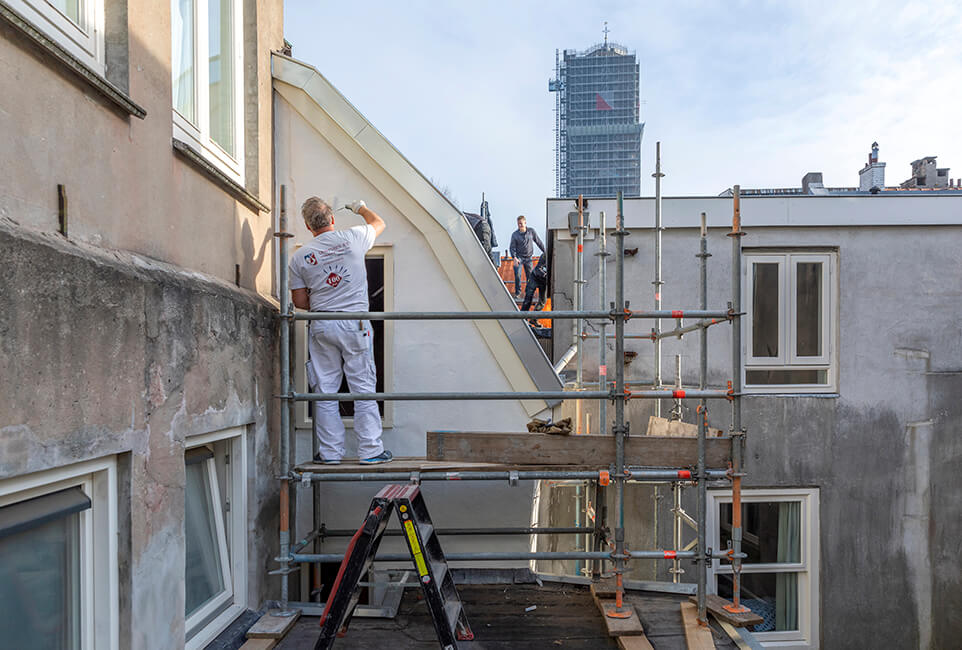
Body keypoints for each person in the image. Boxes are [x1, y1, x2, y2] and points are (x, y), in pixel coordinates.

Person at [289, 197, 392, 465]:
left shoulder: (300, 258)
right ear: (332, 219)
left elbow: (299, 302)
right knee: (363, 387)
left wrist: (325, 303)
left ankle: (330, 453)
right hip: (355, 323)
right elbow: (379, 223)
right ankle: (370, 450)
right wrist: (360, 207)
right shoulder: (354, 237)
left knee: (325, 391)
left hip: (322, 324)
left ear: (308, 227)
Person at [509, 215, 545, 299]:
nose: (520, 225)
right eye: (518, 224)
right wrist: (514, 257)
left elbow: (538, 242)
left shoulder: (531, 232)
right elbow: (512, 247)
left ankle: (529, 293)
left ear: (525, 223)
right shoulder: (515, 235)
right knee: (517, 274)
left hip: (528, 258)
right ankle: (518, 293)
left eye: (521, 223)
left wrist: (545, 252)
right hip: (519, 258)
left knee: (530, 276)